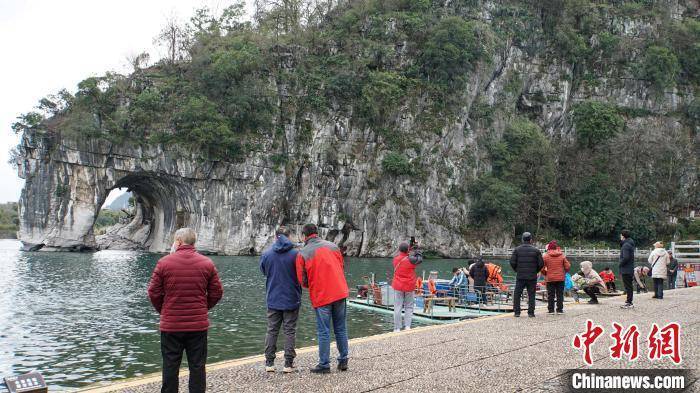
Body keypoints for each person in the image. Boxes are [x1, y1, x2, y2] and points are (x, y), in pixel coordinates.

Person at [147, 228, 224, 393]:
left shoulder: (164, 263)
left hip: (171, 326)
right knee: (197, 366)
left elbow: (153, 292)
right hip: (197, 326)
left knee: (170, 365)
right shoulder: (207, 263)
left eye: (174, 241)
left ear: (179, 242)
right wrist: (203, 308)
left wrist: (164, 310)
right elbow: (217, 292)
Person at [295, 224, 349, 374]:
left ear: (304, 236)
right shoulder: (333, 247)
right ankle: (343, 360)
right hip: (339, 291)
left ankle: (324, 364)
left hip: (322, 295)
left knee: (324, 331)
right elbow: (341, 266)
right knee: (340, 328)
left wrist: (313, 284)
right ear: (317, 233)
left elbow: (302, 279)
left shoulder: (303, 253)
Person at [260, 227, 301, 373]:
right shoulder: (296, 254)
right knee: (289, 331)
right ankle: (288, 364)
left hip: (273, 298)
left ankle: (269, 363)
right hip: (291, 298)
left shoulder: (267, 254)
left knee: (272, 330)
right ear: (288, 236)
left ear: (275, 236)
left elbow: (264, 271)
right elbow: (301, 275)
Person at [510, 232, 544, 317]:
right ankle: (531, 313)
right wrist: (535, 271)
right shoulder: (536, 251)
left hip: (520, 276)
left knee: (517, 294)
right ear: (531, 240)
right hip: (532, 276)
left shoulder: (517, 250)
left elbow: (512, 262)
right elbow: (541, 264)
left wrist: (517, 270)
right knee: (531, 294)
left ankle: (517, 312)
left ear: (522, 239)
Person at [391, 241, 423, 332]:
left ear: (399, 249)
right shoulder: (411, 260)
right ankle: (407, 326)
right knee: (409, 306)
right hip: (409, 285)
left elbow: (402, 255)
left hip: (398, 285)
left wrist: (409, 250)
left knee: (398, 307)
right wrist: (416, 249)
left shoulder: (395, 259)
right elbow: (419, 259)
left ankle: (397, 328)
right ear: (408, 250)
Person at [541, 240, 571, 314]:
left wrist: (545, 273)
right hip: (560, 278)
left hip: (550, 278)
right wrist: (564, 272)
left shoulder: (545, 256)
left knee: (550, 294)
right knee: (559, 294)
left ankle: (551, 310)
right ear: (556, 248)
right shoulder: (562, 255)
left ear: (549, 248)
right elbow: (568, 266)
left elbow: (541, 268)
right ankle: (559, 310)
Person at [619, 229, 636, 310]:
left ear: (623, 236)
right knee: (629, 286)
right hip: (629, 268)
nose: (620, 237)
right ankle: (629, 301)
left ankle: (629, 302)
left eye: (621, 235)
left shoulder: (626, 245)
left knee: (628, 286)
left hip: (626, 269)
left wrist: (620, 264)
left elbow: (625, 257)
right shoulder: (630, 244)